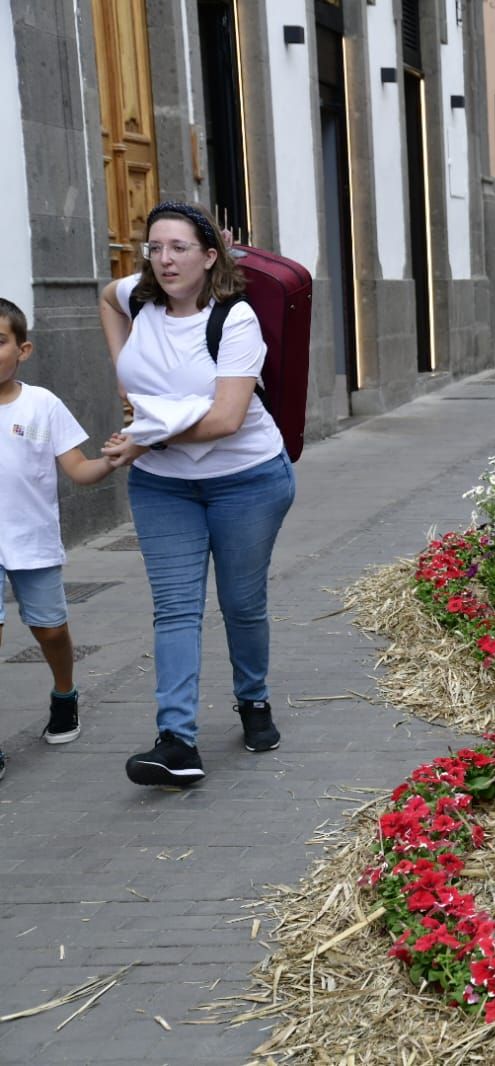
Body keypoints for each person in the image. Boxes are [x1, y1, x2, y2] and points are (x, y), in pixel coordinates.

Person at [98, 200, 297, 788]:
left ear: (211, 256)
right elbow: (106, 301)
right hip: (165, 487)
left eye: (179, 247)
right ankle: (177, 741)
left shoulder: (234, 320)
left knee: (241, 602)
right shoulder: (138, 295)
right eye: (154, 247)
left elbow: (227, 419)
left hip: (247, 479)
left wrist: (141, 438)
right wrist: (124, 368)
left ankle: (253, 701)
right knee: (176, 608)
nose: (164, 259)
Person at [0, 298, 120, 778]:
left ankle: (65, 693)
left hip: (30, 540)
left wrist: (113, 458)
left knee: (49, 630)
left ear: (22, 348)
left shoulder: (42, 404)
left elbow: (79, 469)